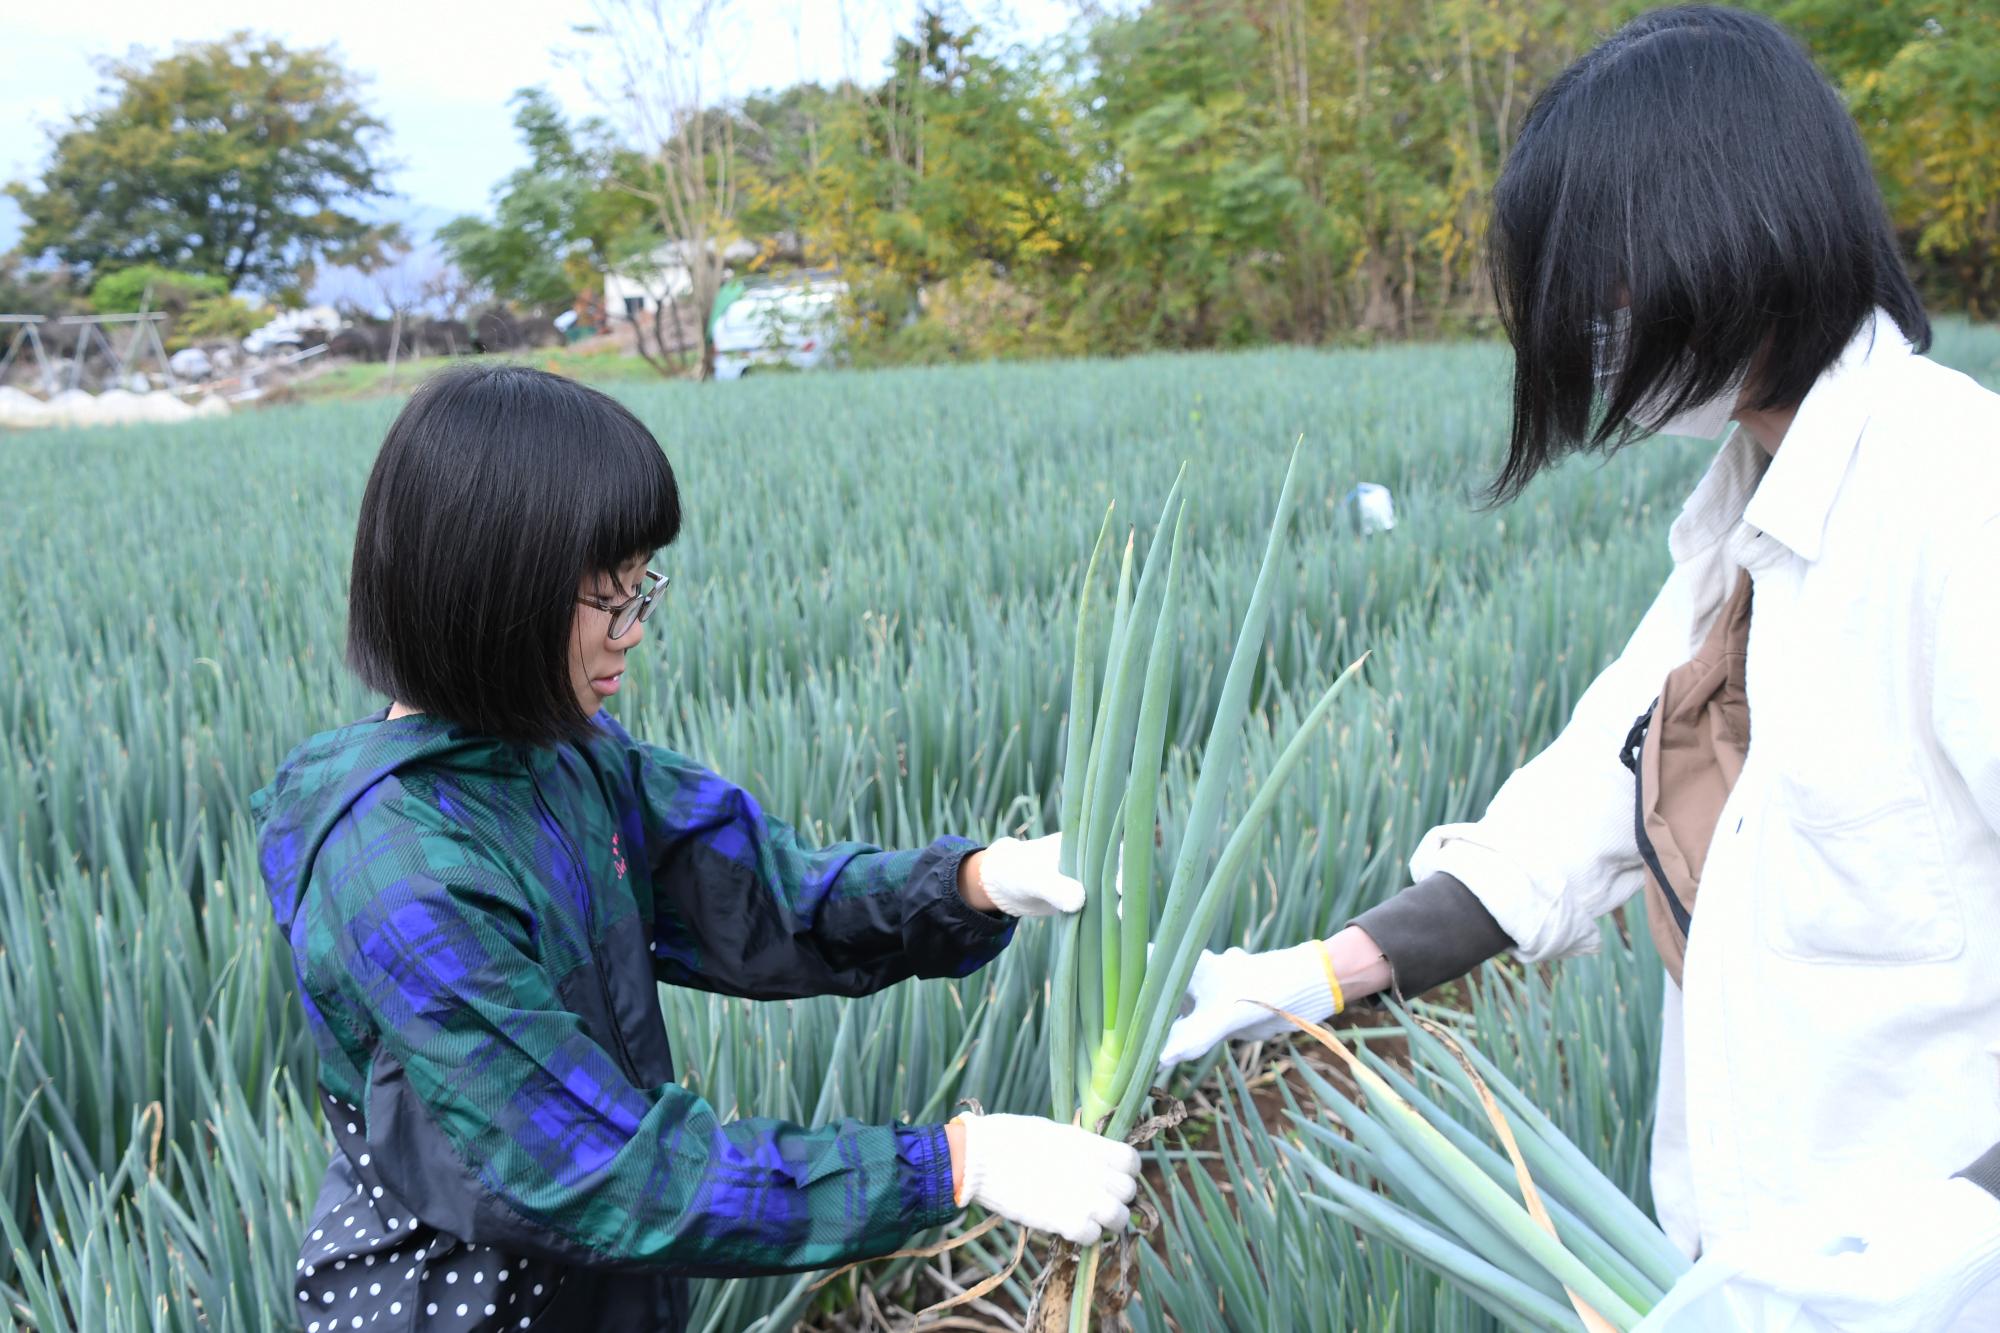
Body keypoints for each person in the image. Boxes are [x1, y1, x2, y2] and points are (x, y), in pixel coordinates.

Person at [1159, 8, 2000, 1331]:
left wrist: (1972, 1221)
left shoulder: (1962, 508)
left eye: (1611, 285)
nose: (1596, 331)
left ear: (1741, 228)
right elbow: (1583, 800)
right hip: (1764, 1281)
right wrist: (1320, 971)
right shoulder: (1752, 512)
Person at [252, 364, 1139, 1333]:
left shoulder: (564, 758)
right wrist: (954, 1164)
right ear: (495, 590)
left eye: (642, 590)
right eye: (610, 599)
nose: (633, 632)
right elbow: (606, 1173)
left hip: (605, 1291)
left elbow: (767, 899)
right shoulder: (400, 873)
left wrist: (973, 883)